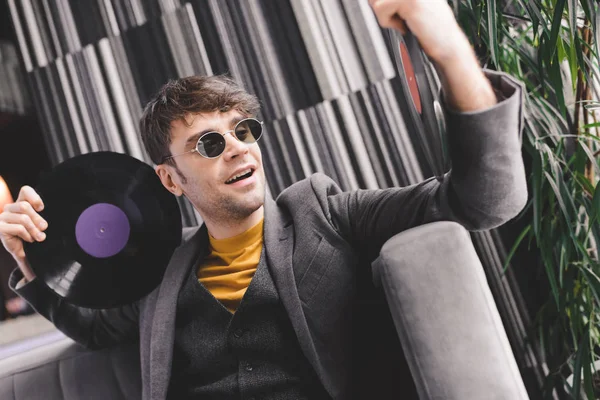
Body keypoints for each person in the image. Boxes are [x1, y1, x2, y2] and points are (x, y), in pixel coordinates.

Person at [0, 0, 527, 398]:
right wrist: (30, 256)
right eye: (209, 143)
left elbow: (484, 201)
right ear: (170, 179)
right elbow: (94, 328)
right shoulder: (157, 268)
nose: (235, 147)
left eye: (243, 130)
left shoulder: (327, 214)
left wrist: (449, 49)